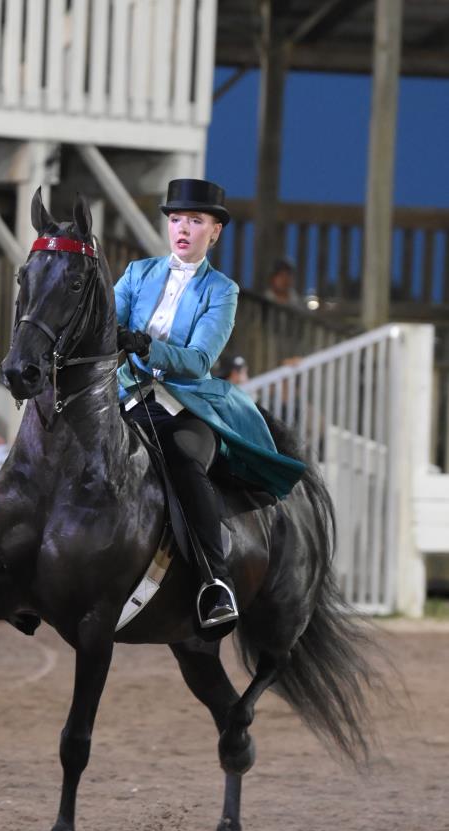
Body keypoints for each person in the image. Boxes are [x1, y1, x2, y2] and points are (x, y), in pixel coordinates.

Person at [115, 178, 305, 628]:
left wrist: (144, 345)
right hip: (126, 393)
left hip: (186, 403)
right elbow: (108, 323)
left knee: (183, 461)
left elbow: (199, 360)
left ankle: (213, 583)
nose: (182, 228)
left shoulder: (222, 291)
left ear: (214, 232)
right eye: (176, 219)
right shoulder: (137, 273)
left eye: (195, 221)